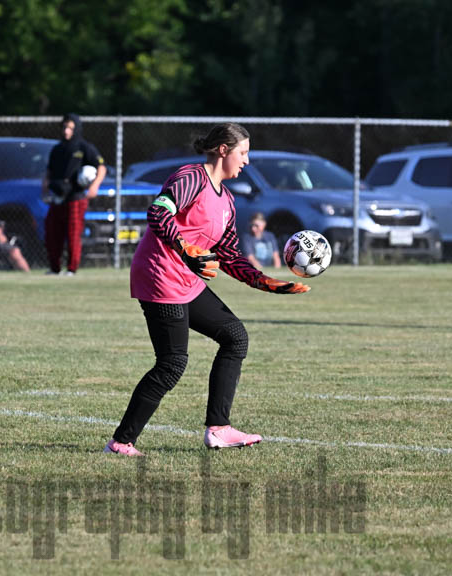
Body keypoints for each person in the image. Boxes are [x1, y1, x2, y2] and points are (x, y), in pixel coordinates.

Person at [104, 123, 310, 457]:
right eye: (243, 153)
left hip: (188, 279)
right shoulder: (191, 178)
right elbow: (159, 212)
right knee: (172, 363)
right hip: (160, 276)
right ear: (224, 150)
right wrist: (185, 248)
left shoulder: (227, 201)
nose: (246, 161)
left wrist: (266, 283)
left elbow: (229, 256)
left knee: (235, 337)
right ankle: (121, 442)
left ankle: (219, 429)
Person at [41, 113, 106, 276]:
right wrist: (45, 187)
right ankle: (54, 268)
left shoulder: (84, 147)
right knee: (52, 234)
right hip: (57, 197)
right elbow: (49, 172)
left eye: (70, 127)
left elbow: (101, 168)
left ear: (76, 129)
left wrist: (94, 186)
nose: (66, 131)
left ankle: (71, 268)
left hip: (75, 198)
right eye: (64, 127)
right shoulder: (57, 149)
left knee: (73, 234)